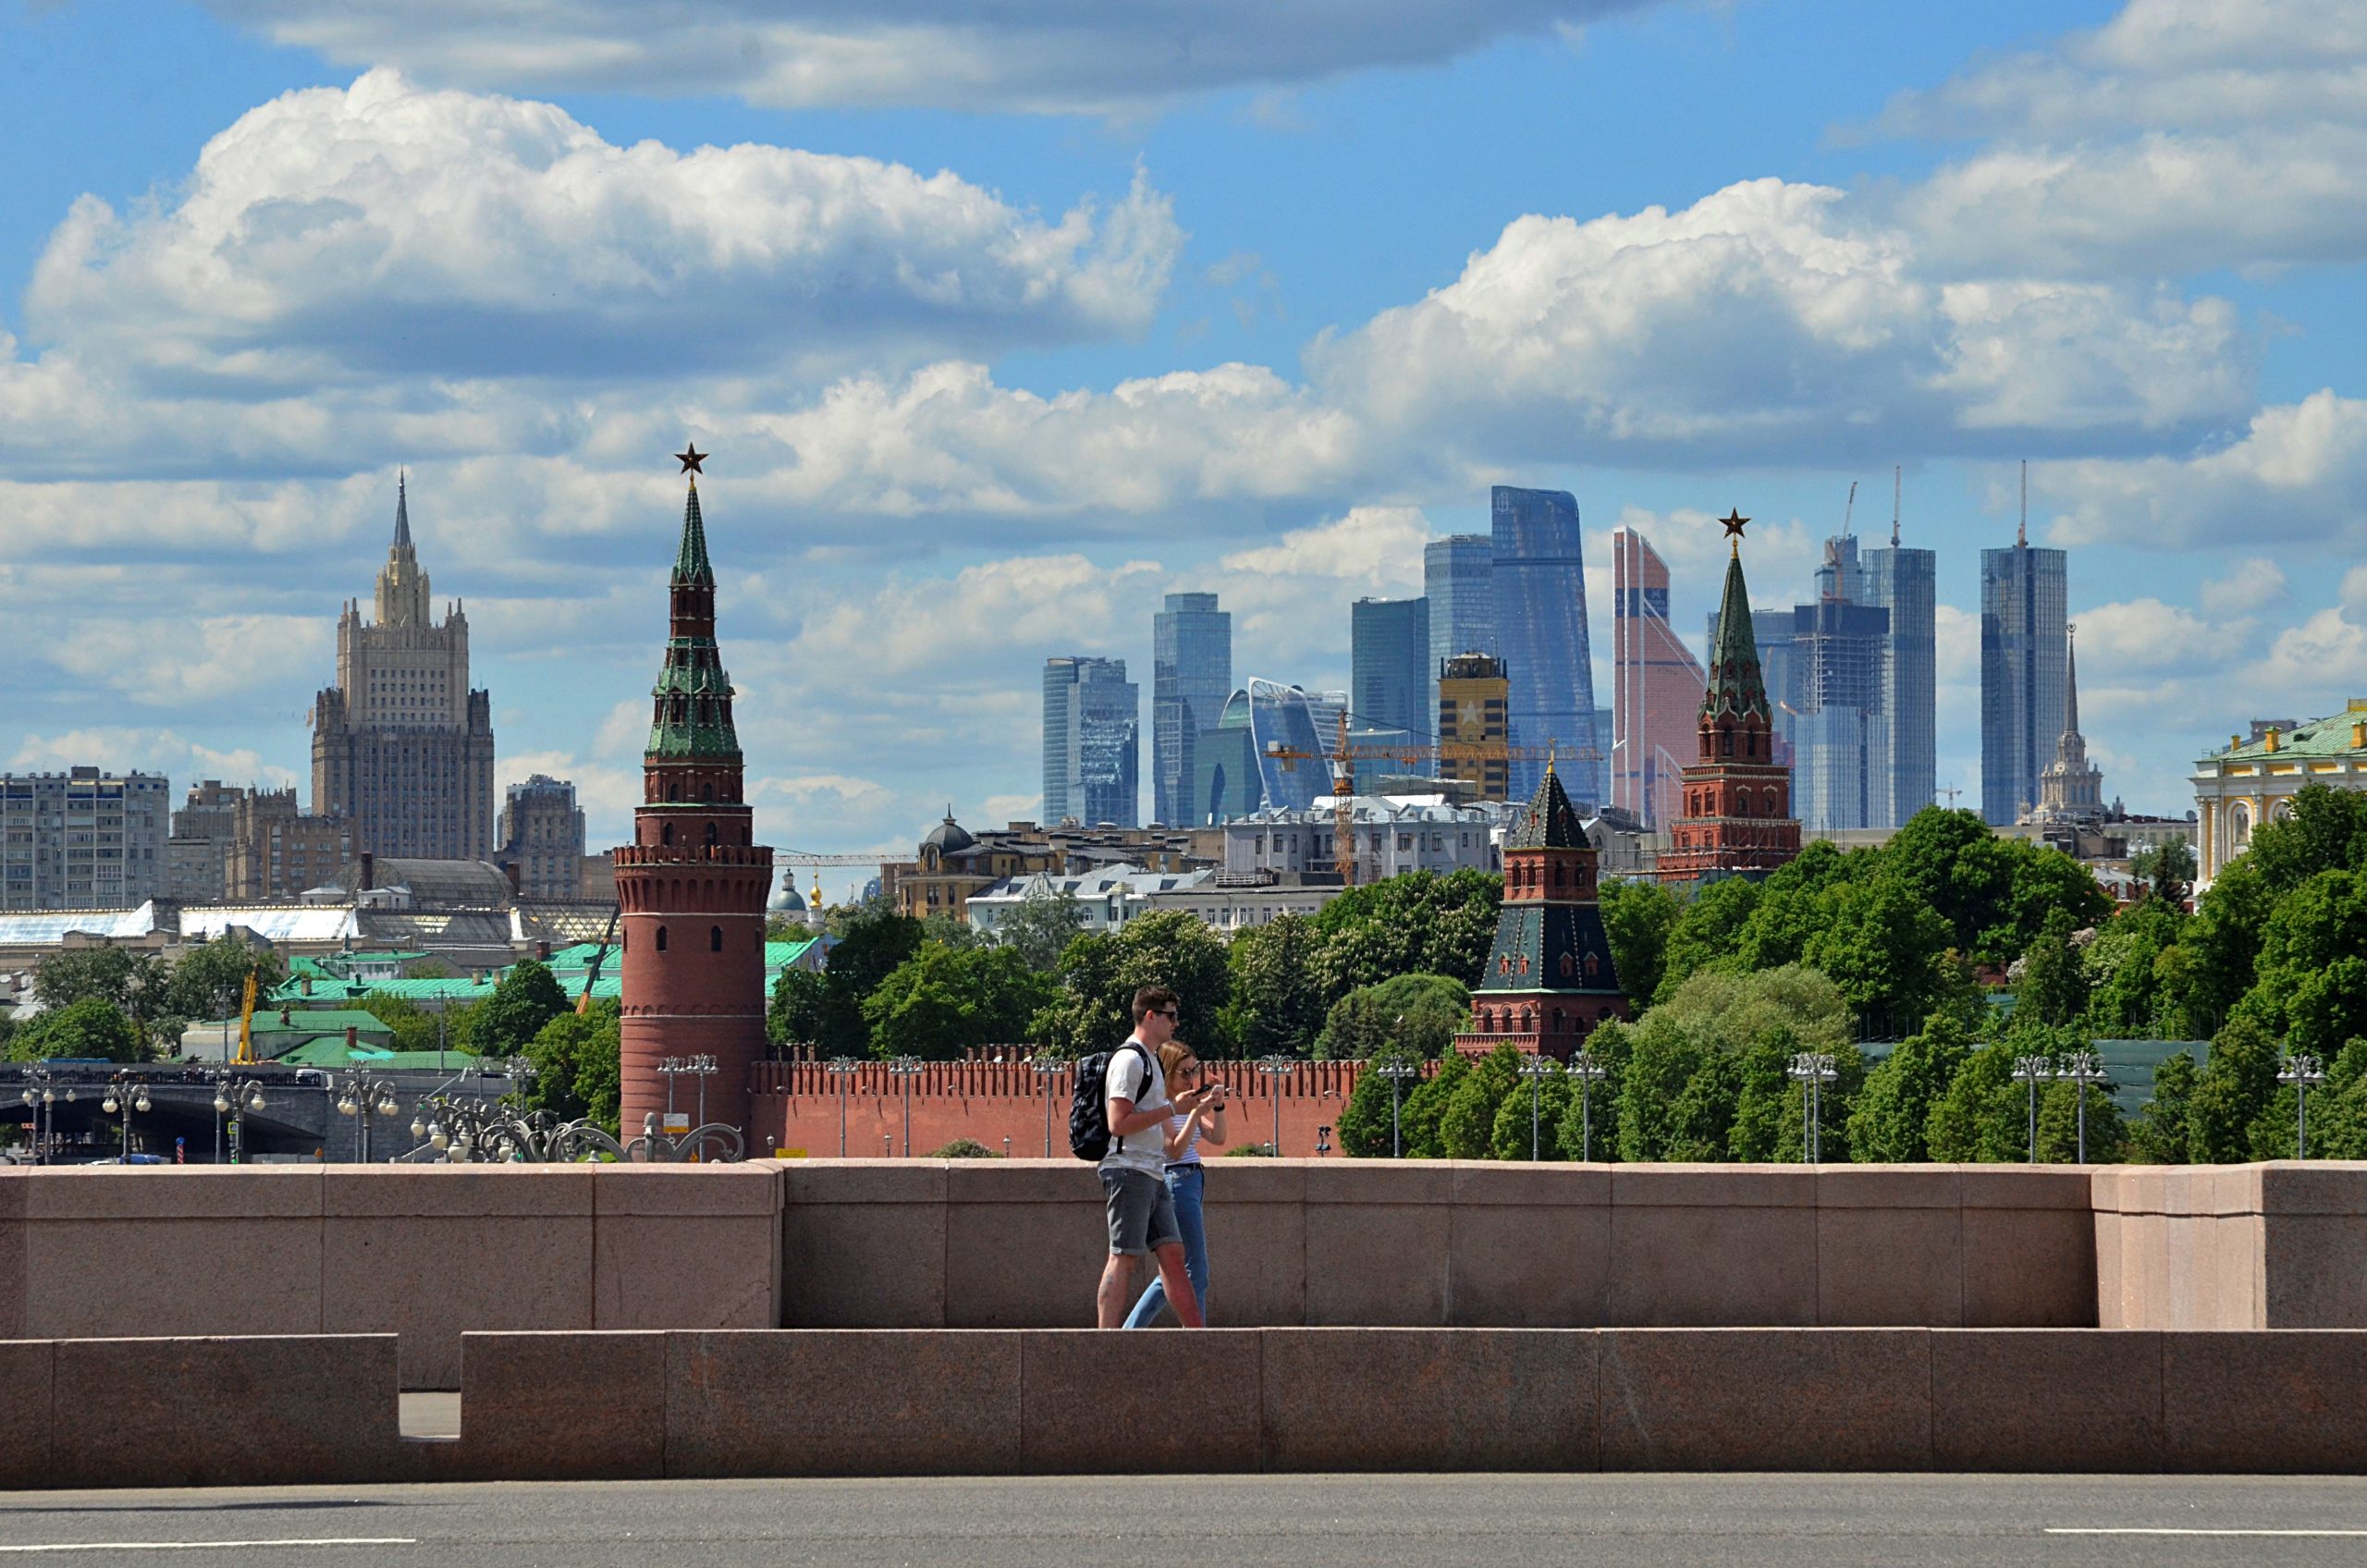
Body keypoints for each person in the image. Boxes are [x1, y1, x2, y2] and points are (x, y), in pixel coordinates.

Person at [1097, 986, 1211, 1329]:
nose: (1176, 1023)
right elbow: (1117, 1123)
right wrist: (1171, 1109)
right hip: (1128, 1169)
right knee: (1123, 1257)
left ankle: (1200, 1340)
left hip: (1153, 1170)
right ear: (1151, 1016)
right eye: (1171, 1015)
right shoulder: (1130, 1059)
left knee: (1175, 1258)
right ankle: (1103, 1344)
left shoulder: (1150, 1060)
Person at [1122, 1040, 1227, 1329]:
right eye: (1184, 1073)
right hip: (1176, 1180)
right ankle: (1198, 1337)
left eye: (1194, 1072)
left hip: (1192, 1180)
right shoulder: (1163, 1107)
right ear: (1167, 1071)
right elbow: (1174, 1149)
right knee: (1197, 1270)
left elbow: (1218, 1138)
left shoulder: (1186, 1103)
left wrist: (1217, 1107)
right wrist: (1194, 1112)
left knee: (1173, 1271)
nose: (1191, 1079)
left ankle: (1129, 1332)